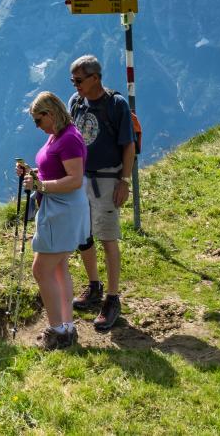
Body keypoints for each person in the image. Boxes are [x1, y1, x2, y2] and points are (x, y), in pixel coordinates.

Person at [67, 54, 136, 331]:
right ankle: (94, 285)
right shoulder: (76, 104)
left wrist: (125, 181)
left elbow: (128, 145)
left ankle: (112, 298)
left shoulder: (115, 104)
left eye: (79, 80)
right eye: (72, 81)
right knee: (83, 235)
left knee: (107, 237)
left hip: (107, 179)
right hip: (81, 179)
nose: (75, 86)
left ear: (96, 77)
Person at [17, 91, 88, 350]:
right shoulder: (59, 135)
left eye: (38, 120)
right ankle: (66, 326)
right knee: (59, 268)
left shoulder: (68, 139)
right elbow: (58, 170)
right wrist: (34, 174)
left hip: (61, 211)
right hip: (60, 209)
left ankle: (57, 331)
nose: (37, 126)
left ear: (49, 114)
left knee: (41, 270)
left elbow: (75, 179)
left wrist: (41, 185)